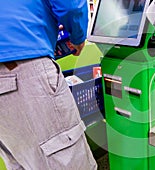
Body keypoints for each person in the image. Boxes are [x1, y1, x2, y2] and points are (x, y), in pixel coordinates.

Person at [0, 0, 97, 169]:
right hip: (22, 68)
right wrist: (78, 37)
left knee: (22, 161)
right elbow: (72, 6)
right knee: (68, 160)